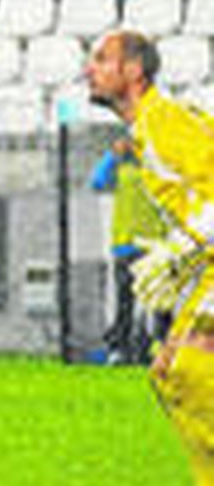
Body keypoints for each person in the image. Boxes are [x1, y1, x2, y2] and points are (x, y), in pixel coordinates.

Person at [86, 30, 214, 486]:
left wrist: (186, 246)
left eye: (102, 60)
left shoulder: (164, 121)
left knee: (186, 368)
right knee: (166, 374)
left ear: (134, 71)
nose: (90, 69)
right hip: (207, 262)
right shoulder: (145, 130)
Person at [90, 134, 169, 365]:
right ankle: (120, 348)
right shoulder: (121, 168)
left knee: (159, 302)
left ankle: (157, 346)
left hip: (154, 246)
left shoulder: (158, 171)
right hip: (125, 245)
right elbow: (97, 182)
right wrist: (112, 156)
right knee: (125, 301)